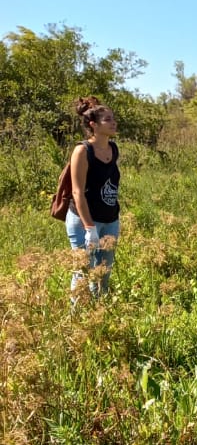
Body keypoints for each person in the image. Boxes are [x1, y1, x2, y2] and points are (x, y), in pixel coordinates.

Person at [65, 97, 121, 299]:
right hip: (84, 221)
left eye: (113, 118)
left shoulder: (113, 149)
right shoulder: (82, 150)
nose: (113, 122)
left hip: (110, 220)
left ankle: (98, 313)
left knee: (103, 272)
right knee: (83, 271)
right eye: (107, 119)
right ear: (93, 125)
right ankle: (76, 317)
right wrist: (90, 229)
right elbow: (77, 192)